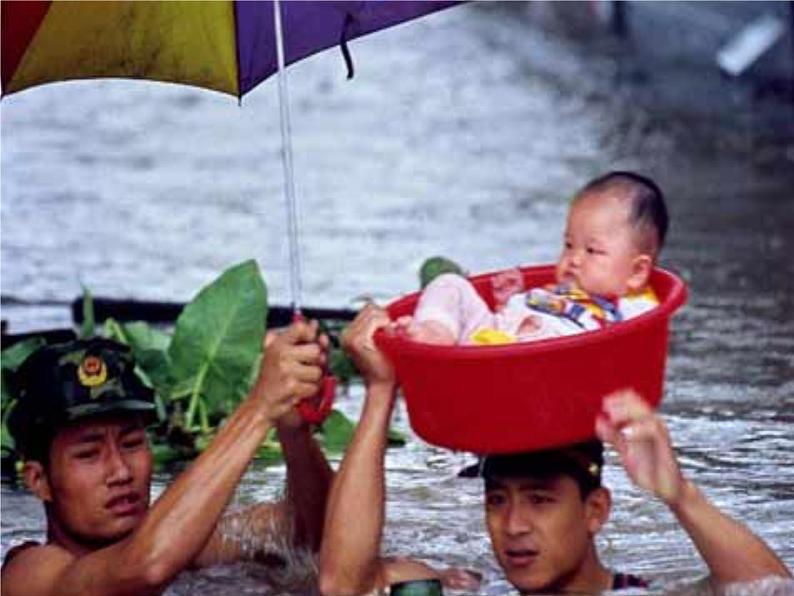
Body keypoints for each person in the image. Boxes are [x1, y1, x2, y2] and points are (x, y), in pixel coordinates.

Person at [318, 305, 792, 594]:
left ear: (595, 510)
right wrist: (381, 392)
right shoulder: (464, 590)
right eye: (497, 500)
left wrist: (679, 495)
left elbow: (772, 589)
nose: (513, 526)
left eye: (540, 499)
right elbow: (343, 586)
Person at [1, 321, 333, 596]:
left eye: (131, 444)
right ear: (38, 480)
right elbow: (145, 569)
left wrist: (293, 428)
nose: (120, 471)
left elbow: (313, 534)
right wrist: (259, 408)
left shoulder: (193, 547)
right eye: (89, 454)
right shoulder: (31, 574)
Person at [399, 171, 668, 345]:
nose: (573, 259)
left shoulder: (631, 305)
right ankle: (435, 333)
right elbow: (519, 315)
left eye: (592, 251)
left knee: (541, 338)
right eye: (568, 244)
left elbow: (642, 338)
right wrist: (510, 301)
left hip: (540, 363)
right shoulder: (559, 292)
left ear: (636, 272)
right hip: (492, 338)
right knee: (450, 283)